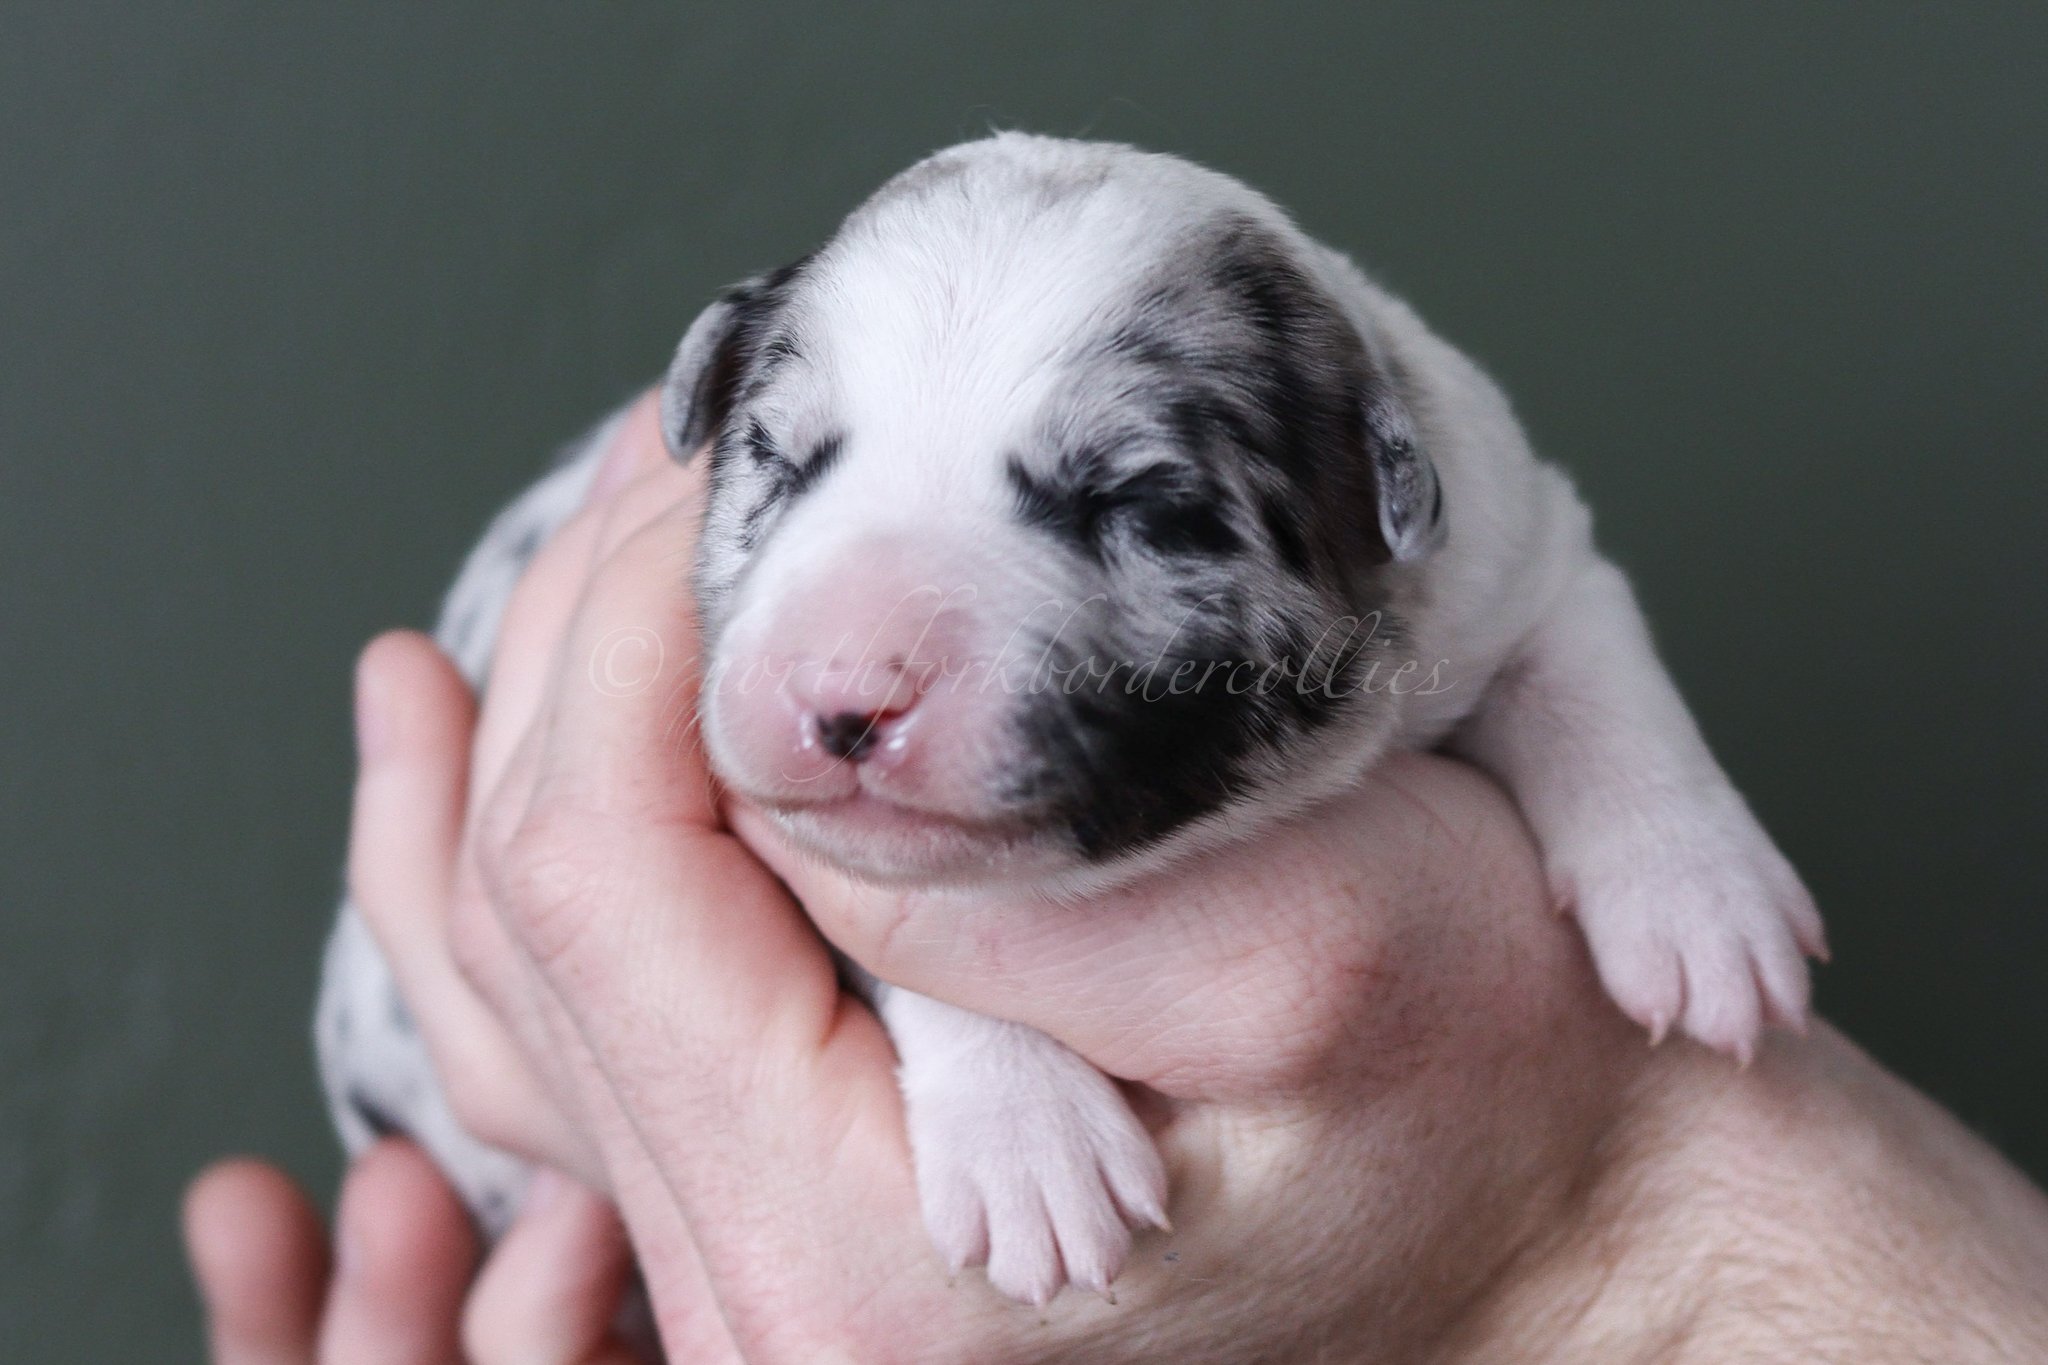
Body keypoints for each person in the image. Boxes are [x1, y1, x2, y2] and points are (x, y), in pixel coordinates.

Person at [184, 395, 2048, 1363]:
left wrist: (1596, 1242)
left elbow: (1544, 600)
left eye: (1134, 507)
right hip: (508, 1185)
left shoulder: (1431, 537)